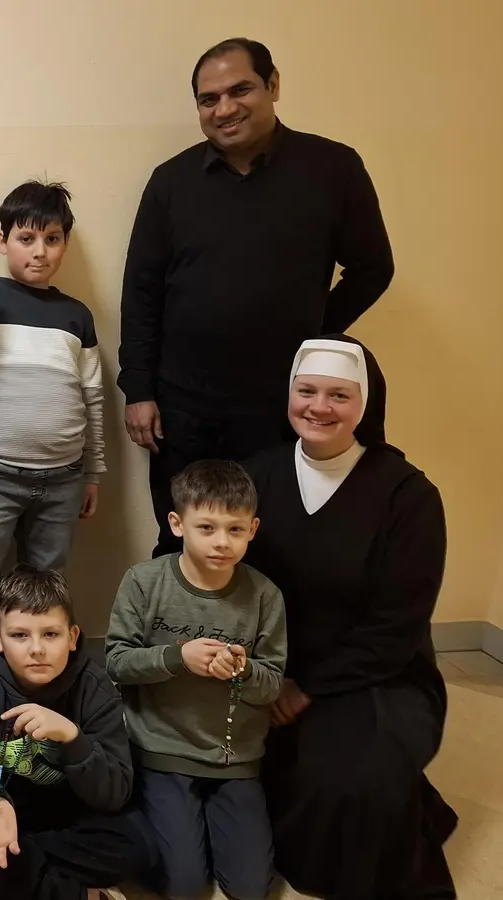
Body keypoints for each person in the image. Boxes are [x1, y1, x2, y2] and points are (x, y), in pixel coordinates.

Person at [118, 36, 396, 557]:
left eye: (239, 90)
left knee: (271, 540)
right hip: (183, 404)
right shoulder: (171, 182)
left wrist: (312, 335)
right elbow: (141, 292)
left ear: (272, 85)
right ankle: (177, 615)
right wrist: (137, 389)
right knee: (182, 537)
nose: (224, 109)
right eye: (209, 99)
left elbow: (373, 268)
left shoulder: (332, 169)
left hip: (279, 405)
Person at [244, 336, 457, 899]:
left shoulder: (408, 496)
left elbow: (398, 624)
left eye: (339, 395)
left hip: (377, 671)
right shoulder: (254, 476)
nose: (319, 407)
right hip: (268, 663)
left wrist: (306, 687)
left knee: (349, 779)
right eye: (307, 391)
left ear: (365, 404)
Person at [0, 181, 104, 671]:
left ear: (64, 244)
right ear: (3, 240)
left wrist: (93, 472)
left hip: (62, 478)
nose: (40, 251)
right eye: (26, 238)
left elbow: (92, 398)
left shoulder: (76, 316)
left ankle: (38, 679)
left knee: (47, 586)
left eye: (52, 239)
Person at [104, 459, 286, 900]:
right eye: (206, 527)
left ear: (253, 529)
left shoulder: (265, 595)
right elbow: (117, 663)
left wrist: (244, 669)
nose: (222, 541)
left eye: (235, 529)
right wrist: (177, 657)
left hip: (235, 759)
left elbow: (271, 684)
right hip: (162, 751)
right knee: (184, 886)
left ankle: (192, 826)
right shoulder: (144, 582)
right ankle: (138, 814)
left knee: (250, 888)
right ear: (177, 524)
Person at [0, 567, 148, 900]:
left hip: (64, 806)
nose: (36, 649)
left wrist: (73, 739)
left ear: (73, 637)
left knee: (135, 845)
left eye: (50, 634)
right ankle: (74, 893)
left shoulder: (96, 688)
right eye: (19, 635)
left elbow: (115, 791)